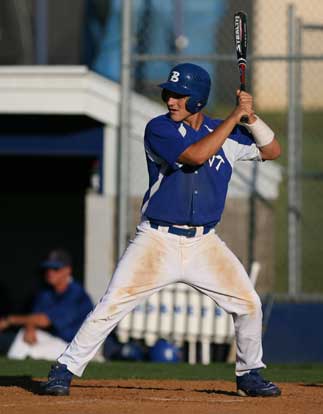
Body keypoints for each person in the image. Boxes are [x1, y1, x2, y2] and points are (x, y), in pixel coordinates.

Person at [42, 63, 282, 397]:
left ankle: (249, 374)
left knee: (248, 303)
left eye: (179, 95)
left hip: (204, 243)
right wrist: (233, 117)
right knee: (112, 304)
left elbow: (272, 151)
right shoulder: (159, 128)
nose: (170, 101)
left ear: (197, 99)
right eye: (169, 94)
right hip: (156, 241)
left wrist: (250, 117)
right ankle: (64, 369)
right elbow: (196, 156)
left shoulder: (224, 132)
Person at [0, 249, 93, 361]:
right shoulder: (46, 292)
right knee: (24, 337)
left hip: (78, 348)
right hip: (55, 341)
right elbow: (34, 317)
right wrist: (30, 327)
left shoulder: (76, 293)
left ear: (67, 270)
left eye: (55, 268)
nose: (50, 272)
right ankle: (12, 371)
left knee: (30, 352)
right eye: (48, 268)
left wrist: (10, 320)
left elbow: (45, 320)